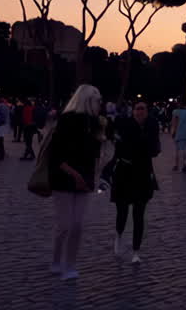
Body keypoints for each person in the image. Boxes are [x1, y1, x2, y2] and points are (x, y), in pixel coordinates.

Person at [47, 85, 105, 280]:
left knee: (78, 224)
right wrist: (74, 174)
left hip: (85, 177)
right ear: (88, 100)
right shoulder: (66, 120)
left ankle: (70, 264)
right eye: (98, 100)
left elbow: (95, 154)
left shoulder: (95, 123)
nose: (100, 104)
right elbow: (55, 155)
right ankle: (56, 259)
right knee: (65, 224)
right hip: (63, 176)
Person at [109, 101, 160, 264]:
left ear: (147, 111)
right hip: (124, 174)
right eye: (137, 109)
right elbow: (119, 147)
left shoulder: (152, 126)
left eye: (143, 109)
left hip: (142, 174)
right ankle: (118, 236)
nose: (140, 112)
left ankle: (136, 251)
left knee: (139, 214)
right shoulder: (125, 124)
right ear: (133, 111)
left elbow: (155, 149)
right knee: (122, 212)